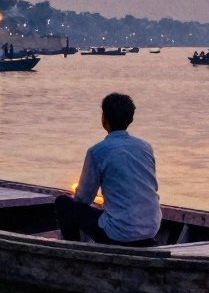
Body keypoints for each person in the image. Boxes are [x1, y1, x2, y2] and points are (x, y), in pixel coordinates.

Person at [53, 93, 160, 247]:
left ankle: (72, 248)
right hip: (151, 228)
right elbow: (150, 185)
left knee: (63, 203)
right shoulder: (145, 148)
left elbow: (84, 199)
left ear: (104, 119)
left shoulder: (97, 152)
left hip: (118, 235)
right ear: (130, 119)